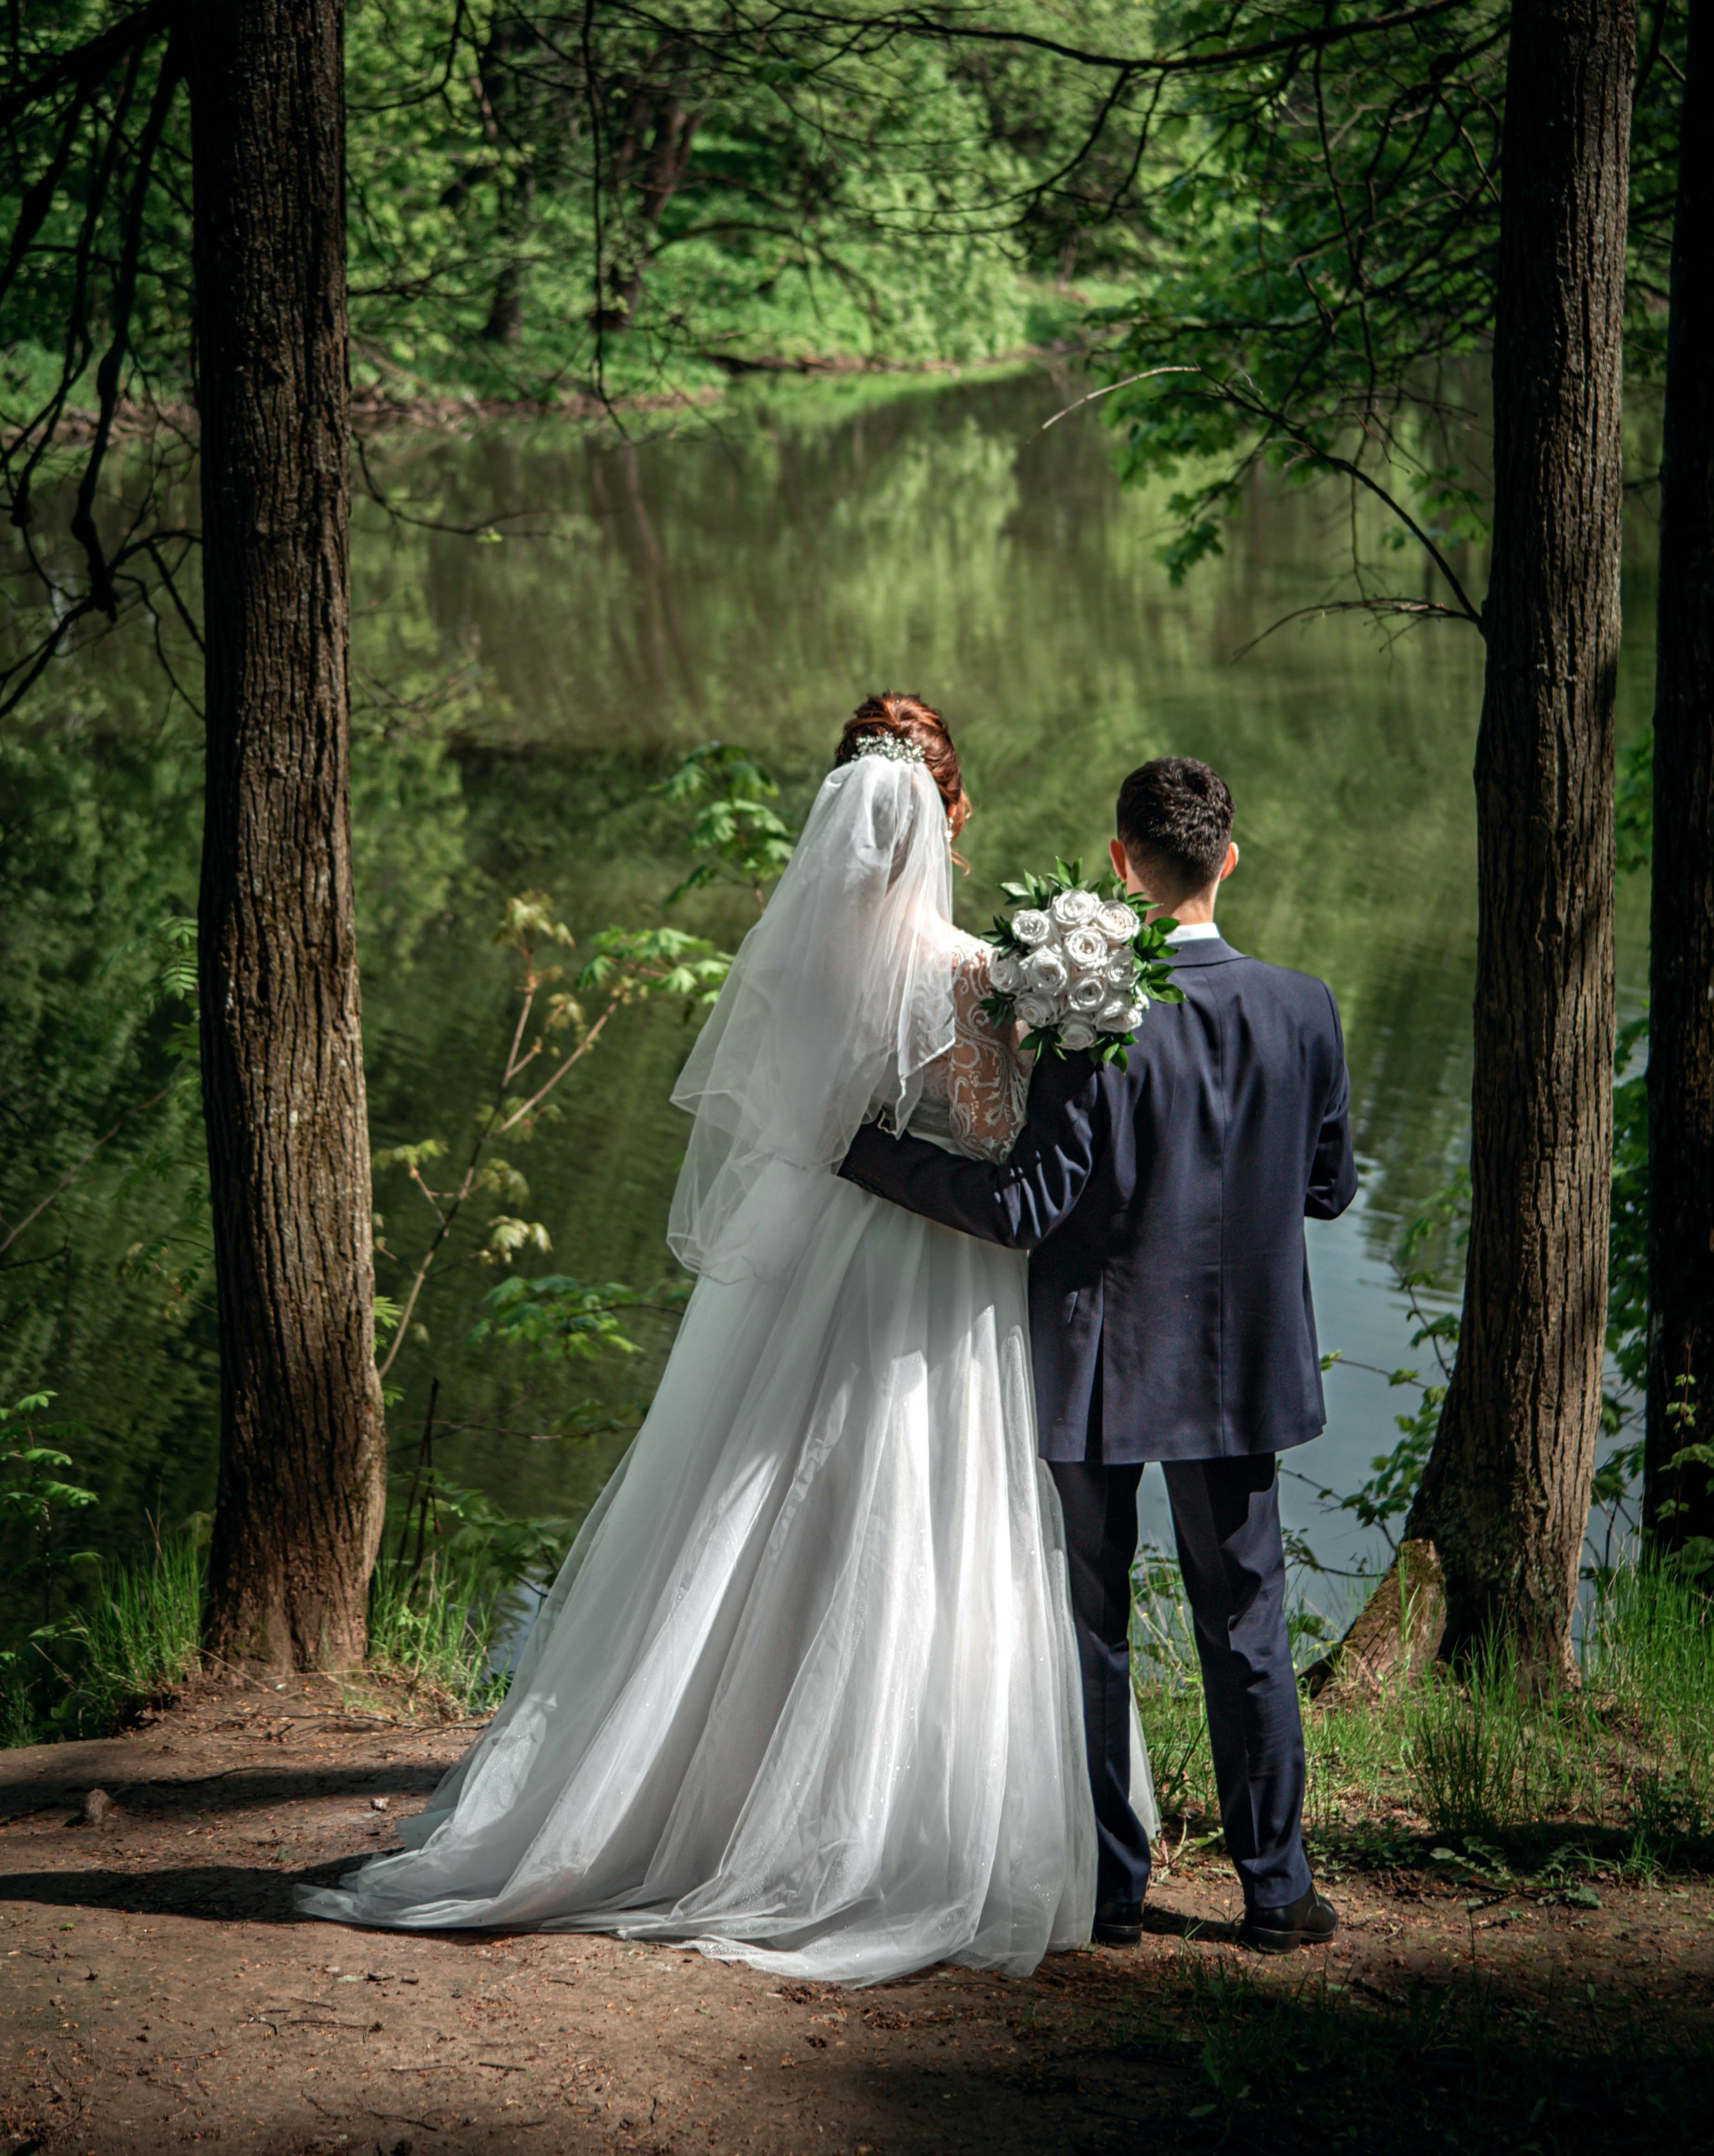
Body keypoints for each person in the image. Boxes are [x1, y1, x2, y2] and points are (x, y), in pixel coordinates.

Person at [299, 694, 1112, 1982]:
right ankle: (859, 1826)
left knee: (753, 1510)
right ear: (950, 816)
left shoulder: (797, 960)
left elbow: (799, 1121)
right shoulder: (971, 976)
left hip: (805, 1269)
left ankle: (691, 1794)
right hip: (927, 1278)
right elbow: (988, 1142)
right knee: (900, 1520)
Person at [840, 754, 1356, 1952]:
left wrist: (869, 1156)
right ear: (1231, 858)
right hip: (1240, 1369)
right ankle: (1277, 1895)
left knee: (1091, 1621)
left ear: (1121, 864)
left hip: (1100, 1358)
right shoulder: (1305, 1007)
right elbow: (1328, 1190)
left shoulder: (1099, 1021)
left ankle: (1114, 1891)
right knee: (1250, 1628)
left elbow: (1024, 1207)